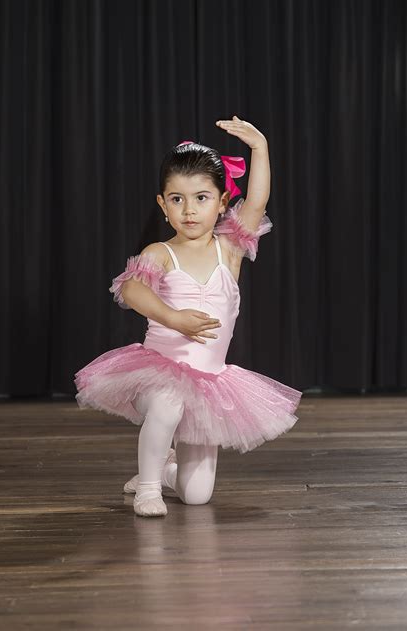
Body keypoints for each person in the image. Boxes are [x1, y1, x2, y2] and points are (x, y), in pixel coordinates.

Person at [74, 115, 303, 518]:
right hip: (158, 371)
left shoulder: (229, 249)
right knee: (168, 402)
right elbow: (131, 290)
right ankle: (148, 489)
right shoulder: (160, 253)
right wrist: (173, 317)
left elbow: (258, 202)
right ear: (163, 205)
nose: (190, 210)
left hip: (210, 383)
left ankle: (163, 471)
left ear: (222, 203)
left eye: (201, 198)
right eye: (177, 199)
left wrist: (260, 149)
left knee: (197, 495)